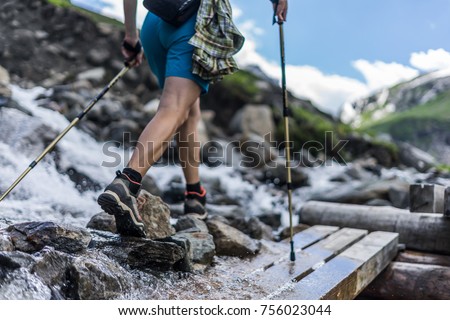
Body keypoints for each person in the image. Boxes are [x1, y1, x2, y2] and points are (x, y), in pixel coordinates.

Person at [97, 0, 289, 237]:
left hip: (154, 23)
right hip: (191, 22)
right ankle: (127, 182)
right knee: (174, 108)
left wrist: (130, 36)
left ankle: (194, 194)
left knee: (188, 109)